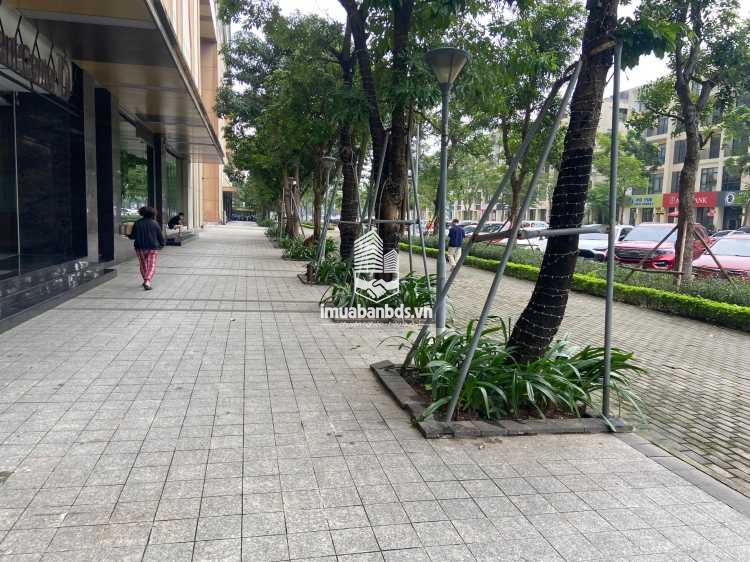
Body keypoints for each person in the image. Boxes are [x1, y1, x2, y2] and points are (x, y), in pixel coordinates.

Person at [128, 206, 165, 290]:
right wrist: (162, 244)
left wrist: (128, 235)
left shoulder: (137, 223)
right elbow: (159, 235)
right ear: (153, 213)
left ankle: (146, 281)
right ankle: (147, 281)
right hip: (152, 247)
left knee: (143, 264)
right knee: (151, 265)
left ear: (142, 213)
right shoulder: (155, 223)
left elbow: (133, 236)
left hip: (139, 247)